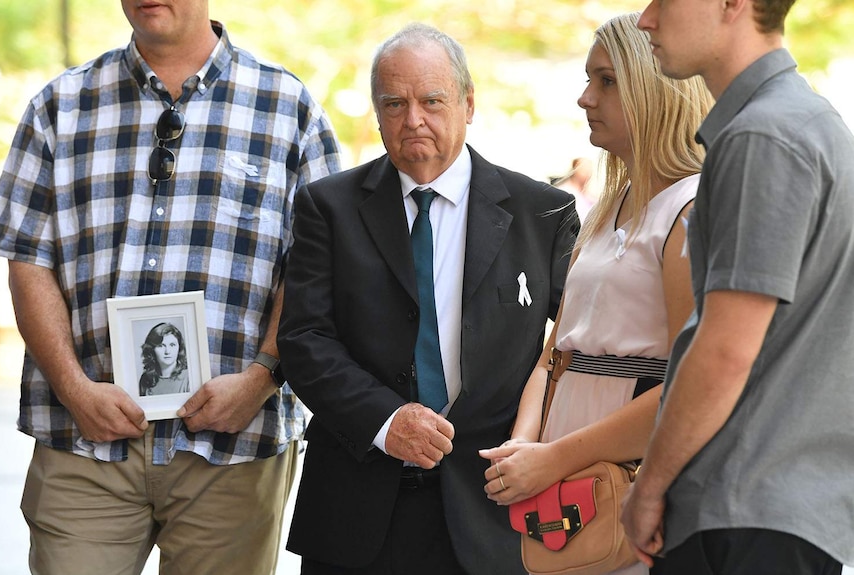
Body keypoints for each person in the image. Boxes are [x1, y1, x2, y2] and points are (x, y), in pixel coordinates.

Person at [0, 1, 341, 573]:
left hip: (234, 447)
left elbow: (319, 270)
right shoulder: (59, 106)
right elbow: (28, 260)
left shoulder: (288, 109)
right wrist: (76, 390)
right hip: (85, 442)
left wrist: (261, 378)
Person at [275, 22, 579, 575]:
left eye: (432, 101)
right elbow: (303, 339)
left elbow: (575, 345)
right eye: (394, 103)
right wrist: (387, 420)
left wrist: (538, 445)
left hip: (495, 508)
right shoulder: (329, 207)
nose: (413, 119)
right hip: (357, 506)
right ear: (377, 113)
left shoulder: (543, 214)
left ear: (468, 104)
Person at [621, 0, 854, 573]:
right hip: (779, 513)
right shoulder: (806, 124)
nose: (647, 18)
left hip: (745, 518)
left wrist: (648, 487)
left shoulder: (764, 137)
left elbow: (726, 350)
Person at [479, 12, 712, 575]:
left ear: (654, 87)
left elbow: (689, 385)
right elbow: (556, 353)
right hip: (564, 486)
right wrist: (523, 447)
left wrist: (553, 457)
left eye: (607, 80)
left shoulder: (691, 209)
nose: (586, 98)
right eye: (589, 79)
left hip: (632, 480)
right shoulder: (607, 207)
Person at [139, 322, 189, 396]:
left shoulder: (188, 377)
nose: (167, 351)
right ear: (151, 349)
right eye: (161, 346)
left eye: (172, 345)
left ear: (179, 347)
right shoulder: (145, 379)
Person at [554, 157, 596, 222]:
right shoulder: (565, 191)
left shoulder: (589, 196)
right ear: (576, 169)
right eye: (584, 169)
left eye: (589, 170)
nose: (588, 173)